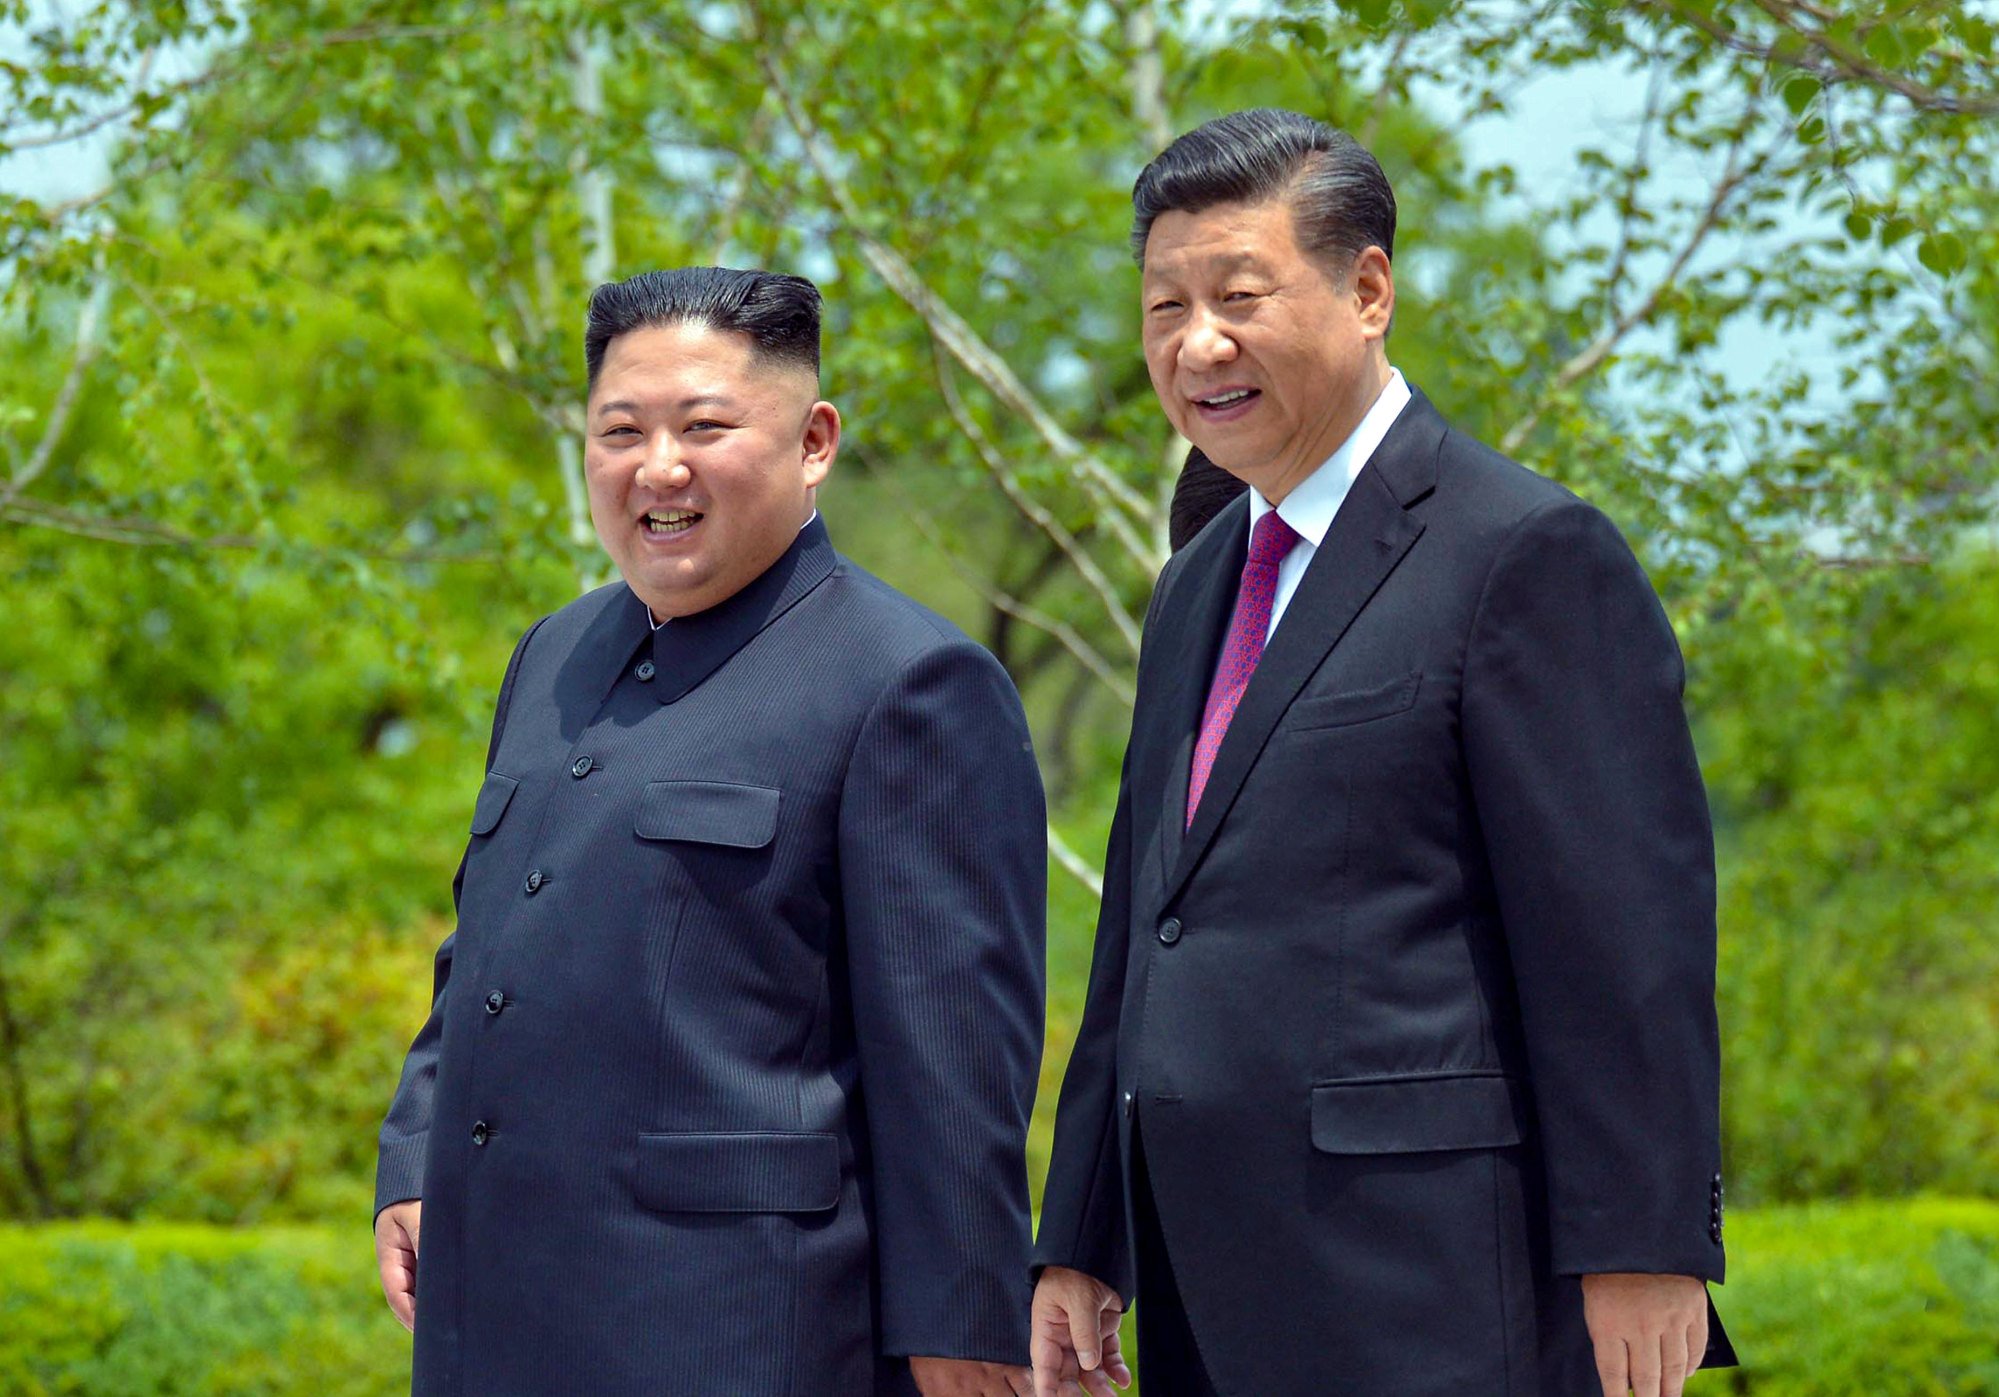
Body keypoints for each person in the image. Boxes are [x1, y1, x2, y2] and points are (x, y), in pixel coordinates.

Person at [1029, 109, 1736, 1397]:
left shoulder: (1521, 552)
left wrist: (1642, 1238)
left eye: (1238, 295)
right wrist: (1078, 1234)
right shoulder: (1194, 585)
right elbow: (1146, 927)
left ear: (1367, 290)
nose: (1197, 344)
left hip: (1434, 1289)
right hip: (1206, 1280)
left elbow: (1620, 935)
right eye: (1162, 306)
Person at [373, 267, 1045, 1397]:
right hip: (490, 1318)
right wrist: (413, 1151)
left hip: (738, 1332)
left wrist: (962, 1325)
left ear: (814, 440)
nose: (659, 467)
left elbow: (954, 1061)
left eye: (705, 426)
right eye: (620, 430)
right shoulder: (552, 653)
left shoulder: (909, 681)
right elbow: (484, 947)